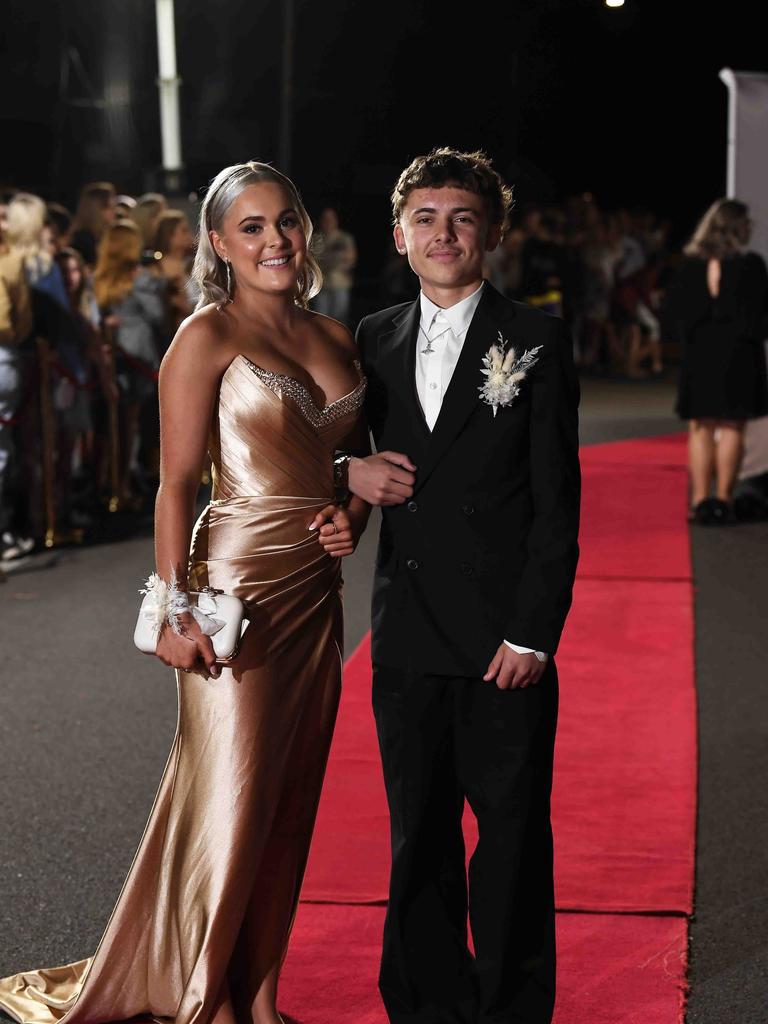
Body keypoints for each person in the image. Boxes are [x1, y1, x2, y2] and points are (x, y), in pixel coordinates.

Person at [0, 161, 370, 1024]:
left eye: (287, 220)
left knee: (287, 796)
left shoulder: (339, 335)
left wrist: (350, 507)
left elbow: (353, 459)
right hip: (235, 591)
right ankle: (207, 993)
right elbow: (173, 486)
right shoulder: (203, 337)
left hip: (316, 591)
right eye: (252, 226)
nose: (275, 239)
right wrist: (173, 610)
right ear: (217, 243)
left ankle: (260, 995)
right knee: (231, 793)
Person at [345, 147, 581, 1024]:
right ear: (401, 233)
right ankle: (427, 1004)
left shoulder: (538, 338)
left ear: (493, 235)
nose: (444, 234)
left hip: (500, 642)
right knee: (419, 841)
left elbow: (559, 503)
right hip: (404, 632)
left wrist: (534, 634)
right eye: (427, 218)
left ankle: (517, 1008)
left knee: (513, 839)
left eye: (463, 218)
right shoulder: (369, 337)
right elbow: (329, 454)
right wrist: (349, 471)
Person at [666, 198, 768, 524]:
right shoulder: (751, 264)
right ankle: (723, 498)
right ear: (736, 227)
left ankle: (700, 501)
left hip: (700, 353)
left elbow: (676, 315)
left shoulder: (690, 265)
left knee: (700, 427)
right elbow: (761, 319)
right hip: (738, 354)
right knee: (731, 426)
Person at [93, 218, 167, 505]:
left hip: (112, 357)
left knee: (117, 425)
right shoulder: (140, 279)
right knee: (130, 424)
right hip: (135, 357)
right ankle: (121, 484)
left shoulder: (98, 279)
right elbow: (157, 316)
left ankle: (116, 482)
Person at [311, 206, 357, 324]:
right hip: (321, 285)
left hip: (340, 283)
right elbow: (313, 261)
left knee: (340, 319)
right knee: (321, 319)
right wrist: (334, 259)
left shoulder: (345, 238)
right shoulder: (316, 239)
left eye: (331, 218)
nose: (328, 221)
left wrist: (329, 260)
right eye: (325, 218)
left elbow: (350, 259)